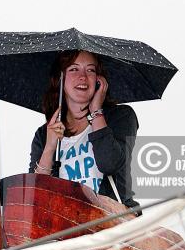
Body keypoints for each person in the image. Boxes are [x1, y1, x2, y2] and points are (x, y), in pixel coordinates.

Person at [29, 50, 139, 208]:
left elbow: (109, 164)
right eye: (73, 69)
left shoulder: (120, 117)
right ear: (61, 79)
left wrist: (96, 111)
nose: (83, 77)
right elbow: (36, 196)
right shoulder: (43, 134)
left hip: (113, 222)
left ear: (99, 80)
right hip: (66, 224)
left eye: (90, 70)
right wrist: (49, 148)